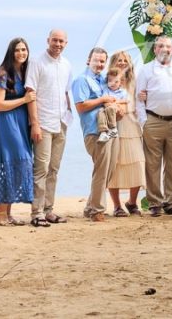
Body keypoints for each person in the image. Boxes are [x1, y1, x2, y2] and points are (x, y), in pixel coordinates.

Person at [25, 29, 72, 226]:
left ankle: (49, 209)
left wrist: (69, 114)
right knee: (41, 169)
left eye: (61, 41)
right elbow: (30, 92)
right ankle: (36, 213)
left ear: (66, 43)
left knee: (54, 169)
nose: (58, 44)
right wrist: (34, 123)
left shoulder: (67, 64)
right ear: (48, 40)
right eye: (55, 40)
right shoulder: (36, 62)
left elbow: (66, 92)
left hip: (61, 122)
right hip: (42, 123)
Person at [136, 37, 172, 217]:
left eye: (168, 46)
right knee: (152, 164)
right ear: (155, 49)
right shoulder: (146, 70)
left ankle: (170, 202)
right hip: (154, 121)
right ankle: (154, 202)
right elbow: (138, 98)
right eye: (160, 46)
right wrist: (144, 122)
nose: (164, 49)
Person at [0, 38, 36, 226]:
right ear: (11, 52)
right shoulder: (3, 73)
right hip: (8, 124)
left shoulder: (25, 72)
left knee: (17, 166)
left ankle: (6, 212)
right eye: (17, 50)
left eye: (24, 49)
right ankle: (0, 209)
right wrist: (24, 100)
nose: (21, 53)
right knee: (19, 163)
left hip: (21, 123)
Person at [72, 47, 119, 222]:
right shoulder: (81, 80)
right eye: (96, 60)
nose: (99, 64)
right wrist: (103, 100)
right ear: (88, 60)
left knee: (110, 169)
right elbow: (81, 106)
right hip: (95, 131)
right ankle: (97, 210)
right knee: (101, 169)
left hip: (111, 129)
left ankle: (90, 206)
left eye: (102, 61)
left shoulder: (104, 82)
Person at [106, 52, 146, 217]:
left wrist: (144, 97)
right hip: (114, 125)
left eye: (125, 61)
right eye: (119, 60)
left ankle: (132, 201)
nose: (122, 63)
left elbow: (142, 102)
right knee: (114, 165)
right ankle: (116, 205)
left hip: (133, 126)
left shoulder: (135, 82)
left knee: (138, 163)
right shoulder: (108, 80)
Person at [96, 68, 128, 143]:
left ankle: (113, 128)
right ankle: (103, 132)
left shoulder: (122, 92)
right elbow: (105, 99)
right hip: (107, 107)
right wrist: (108, 102)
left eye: (116, 81)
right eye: (110, 81)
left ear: (120, 83)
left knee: (111, 108)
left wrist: (116, 102)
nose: (113, 83)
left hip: (116, 108)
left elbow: (126, 100)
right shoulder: (106, 90)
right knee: (100, 111)